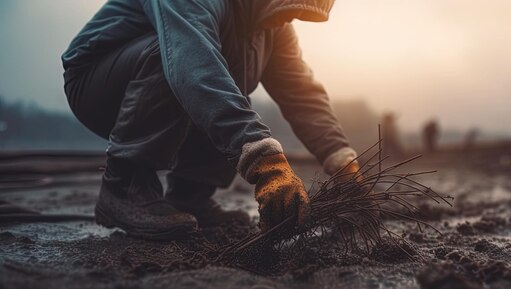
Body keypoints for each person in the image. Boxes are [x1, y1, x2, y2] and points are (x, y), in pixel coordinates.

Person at [62, 0, 359, 240]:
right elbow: (193, 67)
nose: (292, 17)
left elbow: (300, 92)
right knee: (187, 62)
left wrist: (341, 159)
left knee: (230, 88)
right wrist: (266, 160)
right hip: (98, 84)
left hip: (171, 79)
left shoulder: (273, 24)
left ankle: (190, 195)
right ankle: (123, 185)